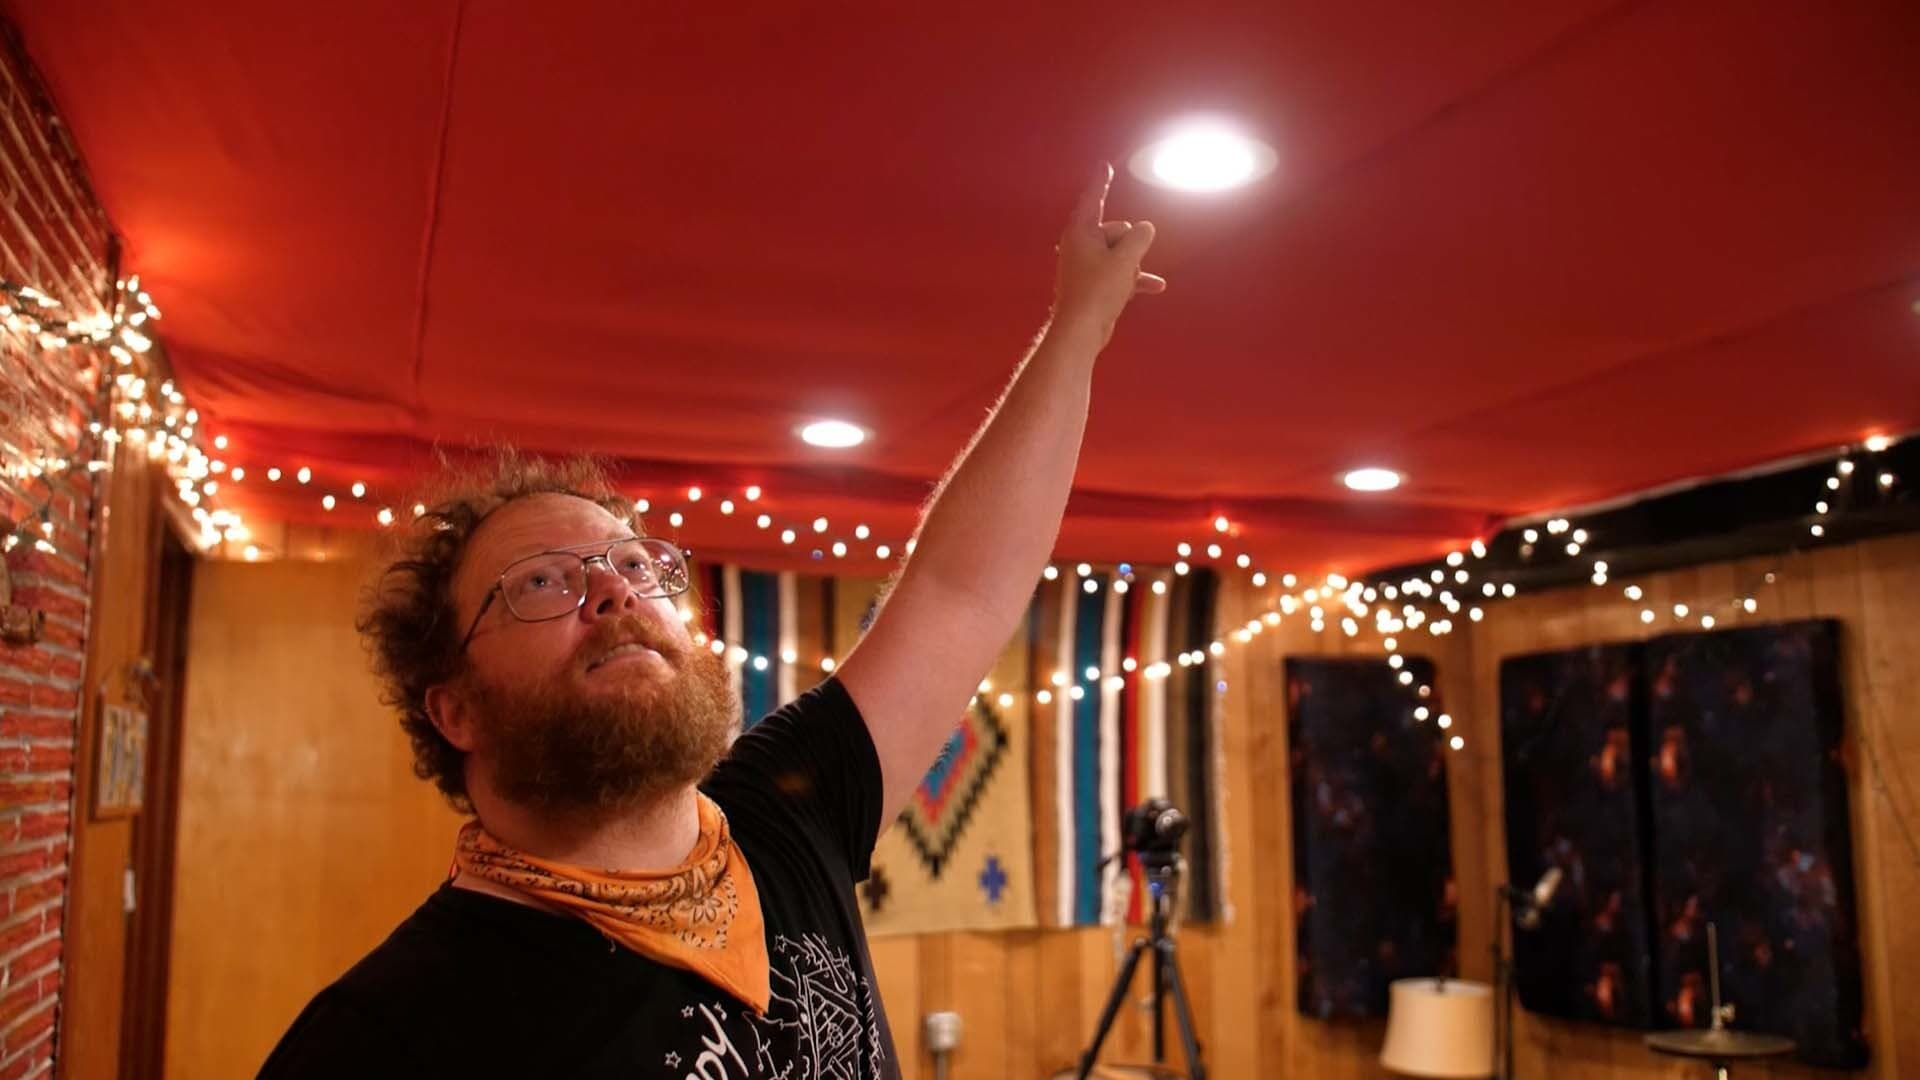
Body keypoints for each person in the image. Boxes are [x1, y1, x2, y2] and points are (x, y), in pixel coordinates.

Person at [258, 166, 1162, 1079]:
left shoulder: (783, 811)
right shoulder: (385, 1038)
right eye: (541, 582)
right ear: (453, 708)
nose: (612, 594)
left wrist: (1077, 329)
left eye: (634, 566)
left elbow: (962, 592)